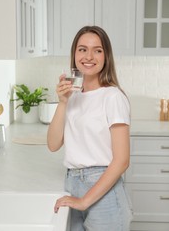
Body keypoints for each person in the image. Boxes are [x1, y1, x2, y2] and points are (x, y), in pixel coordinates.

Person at [47, 25, 133, 231]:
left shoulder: (113, 97)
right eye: (82, 49)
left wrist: (85, 201)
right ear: (74, 54)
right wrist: (63, 102)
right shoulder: (73, 95)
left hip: (103, 192)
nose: (89, 56)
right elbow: (52, 144)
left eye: (98, 50)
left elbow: (122, 161)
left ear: (106, 57)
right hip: (73, 184)